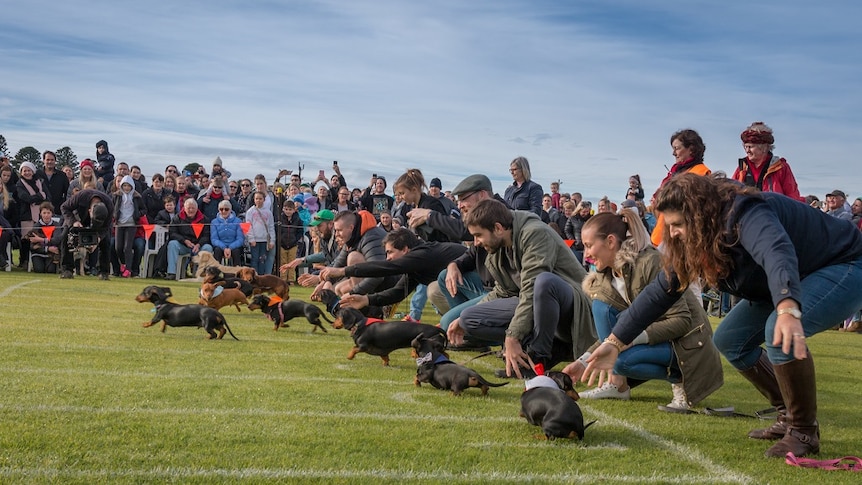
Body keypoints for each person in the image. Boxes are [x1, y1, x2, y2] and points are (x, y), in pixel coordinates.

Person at [583, 173, 862, 458]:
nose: (674, 232)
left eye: (678, 224)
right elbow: (661, 291)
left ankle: (804, 431)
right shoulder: (697, 236)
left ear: (699, 214)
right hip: (789, 278)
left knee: (778, 332)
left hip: (843, 264)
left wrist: (788, 307)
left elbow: (776, 251)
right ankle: (787, 415)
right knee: (731, 339)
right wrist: (615, 342)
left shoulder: (746, 212)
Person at [567, 209, 723, 412]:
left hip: (689, 342)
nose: (585, 253)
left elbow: (682, 320)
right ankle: (617, 384)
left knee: (622, 361)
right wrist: (582, 361)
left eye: (588, 246)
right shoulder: (606, 275)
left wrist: (628, 340)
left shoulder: (650, 262)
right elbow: (617, 330)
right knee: (601, 306)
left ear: (611, 242)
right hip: (657, 337)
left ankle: (681, 380)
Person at [448, 198, 597, 378]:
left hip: (574, 308)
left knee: (544, 282)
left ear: (498, 228)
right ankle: (539, 355)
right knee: (468, 318)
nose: (476, 242)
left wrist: (513, 336)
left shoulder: (536, 233)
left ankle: (539, 356)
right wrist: (463, 318)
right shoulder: (498, 248)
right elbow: (503, 292)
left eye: (479, 235)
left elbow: (532, 288)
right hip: (538, 305)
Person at [321, 228, 467, 313]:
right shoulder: (416, 264)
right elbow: (398, 293)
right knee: (435, 291)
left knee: (434, 290)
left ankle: (468, 329)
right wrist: (365, 300)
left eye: (390, 252)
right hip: (467, 287)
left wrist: (342, 271)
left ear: (405, 250)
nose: (388, 258)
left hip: (480, 284)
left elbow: (385, 268)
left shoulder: (422, 254)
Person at [311, 210, 393, 298]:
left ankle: (373, 306)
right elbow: (339, 263)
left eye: (339, 230)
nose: (336, 234)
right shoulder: (352, 237)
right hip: (378, 278)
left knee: (353, 257)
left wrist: (353, 293)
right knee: (338, 289)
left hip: (389, 280)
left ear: (351, 228)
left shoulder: (371, 238)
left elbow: (378, 274)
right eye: (336, 230)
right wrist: (327, 281)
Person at [732, 121, 804, 202]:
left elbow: (793, 197)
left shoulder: (780, 168)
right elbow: (731, 195)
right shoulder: (742, 168)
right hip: (747, 214)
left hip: (774, 213)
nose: (747, 151)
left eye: (750, 147)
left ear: (764, 147)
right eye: (745, 147)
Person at [59, 188, 114, 279]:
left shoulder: (110, 205)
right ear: (90, 211)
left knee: (106, 241)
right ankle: (67, 270)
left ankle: (104, 272)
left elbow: (106, 227)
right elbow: (64, 207)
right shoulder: (81, 196)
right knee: (65, 236)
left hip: (101, 227)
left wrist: (98, 239)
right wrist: (74, 221)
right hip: (78, 219)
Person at [280, 209, 339, 283]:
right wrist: (302, 260)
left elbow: (339, 261)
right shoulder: (325, 237)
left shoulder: (339, 239)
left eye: (319, 225)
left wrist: (319, 276)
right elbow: (324, 254)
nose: (317, 229)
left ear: (330, 224)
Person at [165, 198, 212, 279]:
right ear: (184, 208)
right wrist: (184, 241)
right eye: (188, 208)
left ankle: (201, 273)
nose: (190, 210)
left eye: (193, 208)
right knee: (172, 244)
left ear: (197, 209)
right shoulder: (177, 218)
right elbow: (172, 233)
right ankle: (172, 273)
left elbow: (206, 236)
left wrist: (199, 244)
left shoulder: (204, 219)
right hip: (184, 245)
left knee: (208, 247)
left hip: (198, 246)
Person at [16, 161, 49, 270]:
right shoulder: (19, 184)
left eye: (29, 170)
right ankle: (24, 261)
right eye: (24, 171)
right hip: (26, 215)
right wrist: (39, 196)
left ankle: (38, 262)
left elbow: (48, 196)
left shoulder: (39, 182)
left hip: (40, 215)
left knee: (40, 238)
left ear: (33, 171)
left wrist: (36, 198)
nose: (27, 173)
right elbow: (25, 198)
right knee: (26, 240)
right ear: (21, 172)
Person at [112, 175, 146, 278]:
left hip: (131, 224)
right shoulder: (117, 195)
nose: (126, 188)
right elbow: (112, 207)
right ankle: (123, 264)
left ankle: (128, 269)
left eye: (128, 186)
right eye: (124, 186)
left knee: (127, 247)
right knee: (118, 247)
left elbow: (144, 209)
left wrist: (137, 215)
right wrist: (115, 215)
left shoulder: (136, 197)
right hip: (119, 224)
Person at [245, 191, 276, 275]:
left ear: (264, 200)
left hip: (264, 240)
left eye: (260, 199)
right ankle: (254, 276)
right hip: (255, 240)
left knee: (262, 259)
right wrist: (251, 239)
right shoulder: (250, 212)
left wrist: (272, 241)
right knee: (254, 259)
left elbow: (271, 227)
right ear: (254, 200)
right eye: (256, 199)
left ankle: (261, 277)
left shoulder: (268, 212)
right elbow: (248, 226)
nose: (258, 200)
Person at [27, 201, 63, 273]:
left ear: (52, 214)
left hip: (52, 254)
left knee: (50, 271)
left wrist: (40, 239)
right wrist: (47, 248)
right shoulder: (36, 226)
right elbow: (32, 246)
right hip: (38, 253)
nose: (46, 215)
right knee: (39, 270)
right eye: (44, 213)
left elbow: (57, 240)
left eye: (48, 213)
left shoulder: (56, 225)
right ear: (40, 214)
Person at [210, 199, 245, 266]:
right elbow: (214, 239)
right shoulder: (214, 222)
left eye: (226, 209)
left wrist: (230, 248)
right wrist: (224, 248)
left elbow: (240, 239)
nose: (224, 211)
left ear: (230, 210)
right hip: (220, 246)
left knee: (236, 251)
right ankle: (216, 273)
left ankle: (235, 273)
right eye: (221, 209)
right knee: (217, 250)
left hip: (234, 246)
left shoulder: (238, 221)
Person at [277, 199, 304, 284]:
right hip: (282, 244)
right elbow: (277, 230)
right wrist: (280, 239)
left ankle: (291, 279)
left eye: (290, 209)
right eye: (286, 209)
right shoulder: (280, 219)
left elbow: (300, 231)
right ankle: (283, 279)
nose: (288, 211)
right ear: (283, 209)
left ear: (294, 210)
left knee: (292, 262)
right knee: (283, 262)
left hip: (293, 244)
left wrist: (296, 239)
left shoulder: (297, 219)